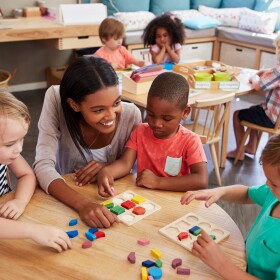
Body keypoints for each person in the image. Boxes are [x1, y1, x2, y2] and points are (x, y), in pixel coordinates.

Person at [33, 56, 142, 228]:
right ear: (74, 105)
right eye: (99, 109)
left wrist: (108, 166)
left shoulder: (131, 115)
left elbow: (132, 166)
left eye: (116, 103)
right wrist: (82, 204)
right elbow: (42, 165)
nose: (111, 115)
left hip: (116, 204)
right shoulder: (56, 98)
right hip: (68, 198)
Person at [181, 133, 280, 279]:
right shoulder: (274, 195)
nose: (267, 184)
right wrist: (219, 191)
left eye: (273, 183)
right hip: (240, 265)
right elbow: (247, 193)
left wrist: (221, 263)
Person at [97, 72, 208, 197]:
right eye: (151, 114)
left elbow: (201, 180)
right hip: (144, 199)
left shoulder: (190, 141)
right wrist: (106, 171)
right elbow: (125, 164)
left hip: (176, 202)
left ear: (185, 112)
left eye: (166, 118)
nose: (156, 124)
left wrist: (158, 182)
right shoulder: (140, 131)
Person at [0, 91, 71, 252]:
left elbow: (27, 175)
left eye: (22, 139)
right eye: (10, 144)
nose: (19, 148)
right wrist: (32, 231)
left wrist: (20, 201)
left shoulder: (10, 155)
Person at [227, 32, 280, 161]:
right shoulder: (276, 71)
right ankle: (251, 146)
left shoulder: (278, 70)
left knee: (237, 115)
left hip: (272, 118)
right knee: (253, 110)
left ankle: (239, 151)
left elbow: (258, 86)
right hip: (276, 117)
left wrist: (255, 77)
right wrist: (266, 71)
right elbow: (272, 76)